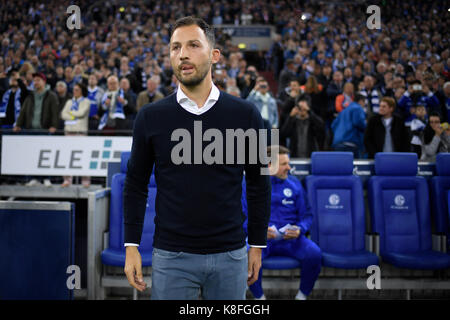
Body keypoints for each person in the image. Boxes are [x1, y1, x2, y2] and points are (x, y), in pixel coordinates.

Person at [123, 16, 271, 300]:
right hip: (170, 255)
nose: (183, 54)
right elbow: (135, 184)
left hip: (231, 254)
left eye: (193, 45)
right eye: (175, 48)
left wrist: (258, 245)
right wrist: (131, 246)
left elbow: (260, 183)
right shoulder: (149, 117)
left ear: (214, 55)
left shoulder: (249, 113)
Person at [242, 145, 322, 300]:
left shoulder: (294, 184)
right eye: (284, 164)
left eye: (288, 163)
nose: (289, 168)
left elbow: (307, 215)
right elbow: (242, 216)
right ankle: (259, 298)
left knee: (314, 253)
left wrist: (300, 229)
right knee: (246, 255)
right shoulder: (251, 184)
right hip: (262, 240)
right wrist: (257, 231)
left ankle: (301, 296)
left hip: (291, 239)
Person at [13, 72, 59, 187]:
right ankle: (33, 177)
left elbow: (55, 112)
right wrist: (18, 124)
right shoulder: (30, 96)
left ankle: (46, 178)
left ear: (44, 82)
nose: (35, 82)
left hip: (44, 130)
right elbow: (23, 111)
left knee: (46, 155)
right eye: (34, 80)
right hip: (31, 129)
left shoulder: (51, 95)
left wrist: (54, 125)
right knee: (32, 154)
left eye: (38, 80)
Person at [60, 83, 91, 187]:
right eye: (74, 89)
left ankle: (85, 181)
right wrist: (73, 116)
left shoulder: (86, 101)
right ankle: (67, 180)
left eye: (77, 90)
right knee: (66, 157)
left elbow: (81, 113)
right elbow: (63, 114)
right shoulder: (69, 102)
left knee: (83, 157)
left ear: (82, 90)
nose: (75, 91)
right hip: (69, 132)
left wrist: (71, 113)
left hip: (80, 133)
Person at [331, 93, 367, 158]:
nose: (364, 105)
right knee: (351, 167)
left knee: (340, 167)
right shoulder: (357, 108)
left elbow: (333, 125)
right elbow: (359, 123)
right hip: (350, 142)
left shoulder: (344, 110)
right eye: (364, 102)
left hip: (338, 142)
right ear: (361, 101)